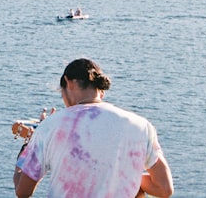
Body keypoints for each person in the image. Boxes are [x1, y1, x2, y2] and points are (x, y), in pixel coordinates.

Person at [14, 58, 174, 198]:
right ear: (100, 92)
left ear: (68, 82)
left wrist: (27, 147)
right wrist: (123, 176)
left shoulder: (50, 126)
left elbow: (23, 191)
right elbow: (164, 189)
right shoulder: (141, 126)